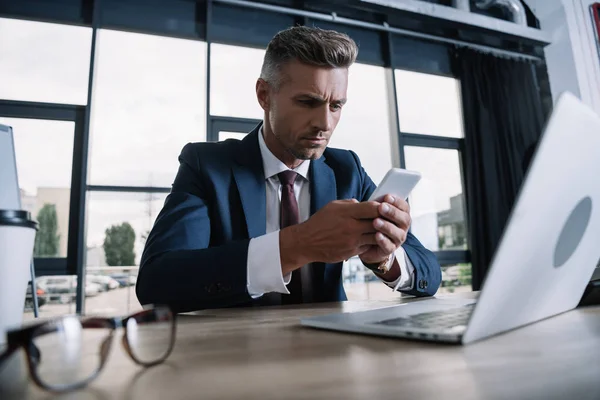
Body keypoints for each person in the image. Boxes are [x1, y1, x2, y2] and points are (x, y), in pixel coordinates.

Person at [136, 26, 441, 313]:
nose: (325, 123)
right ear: (264, 95)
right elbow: (157, 283)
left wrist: (385, 259)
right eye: (308, 102)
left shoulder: (346, 169)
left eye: (336, 106)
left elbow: (430, 273)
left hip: (330, 353)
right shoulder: (207, 166)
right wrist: (297, 246)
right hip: (231, 356)